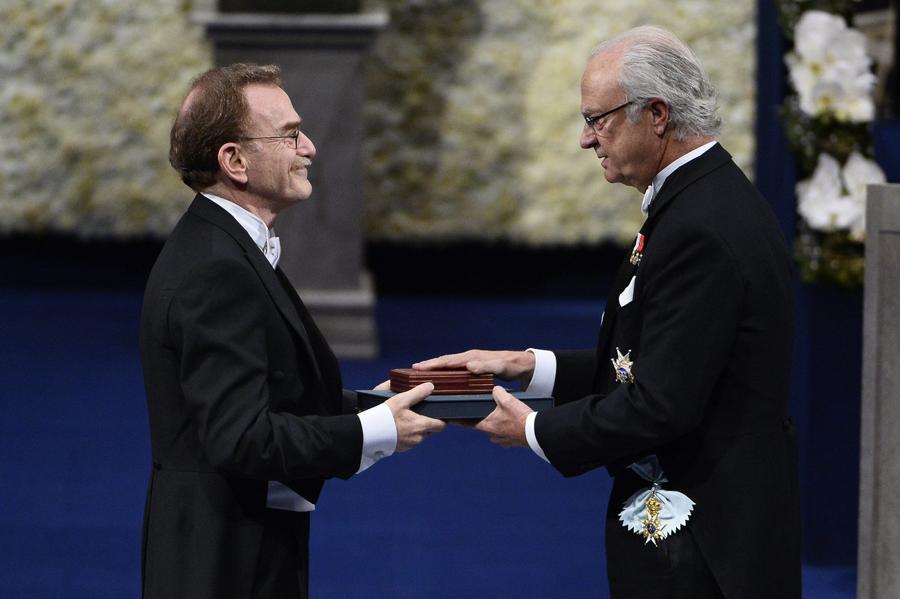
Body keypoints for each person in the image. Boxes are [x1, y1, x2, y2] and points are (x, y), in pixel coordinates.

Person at [416, 26, 799, 599]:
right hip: (704, 525)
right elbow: (657, 356)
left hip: (703, 546)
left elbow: (661, 404)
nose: (585, 139)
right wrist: (528, 365)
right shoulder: (699, 198)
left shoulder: (700, 226)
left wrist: (533, 428)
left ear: (657, 115)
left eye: (598, 119)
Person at [139, 63, 446, 599]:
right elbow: (242, 439)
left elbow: (274, 390)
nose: (309, 147)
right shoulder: (216, 266)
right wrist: (375, 431)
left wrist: (379, 406)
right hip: (221, 562)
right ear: (234, 161)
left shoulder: (227, 246)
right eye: (289, 134)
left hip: (242, 540)